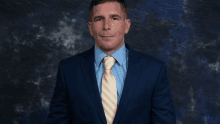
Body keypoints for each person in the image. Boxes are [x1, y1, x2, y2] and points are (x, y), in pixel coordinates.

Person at [47, 0, 176, 124]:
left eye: (114, 18)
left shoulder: (154, 70)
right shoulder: (68, 69)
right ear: (90, 28)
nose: (106, 26)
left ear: (126, 25)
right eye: (99, 19)